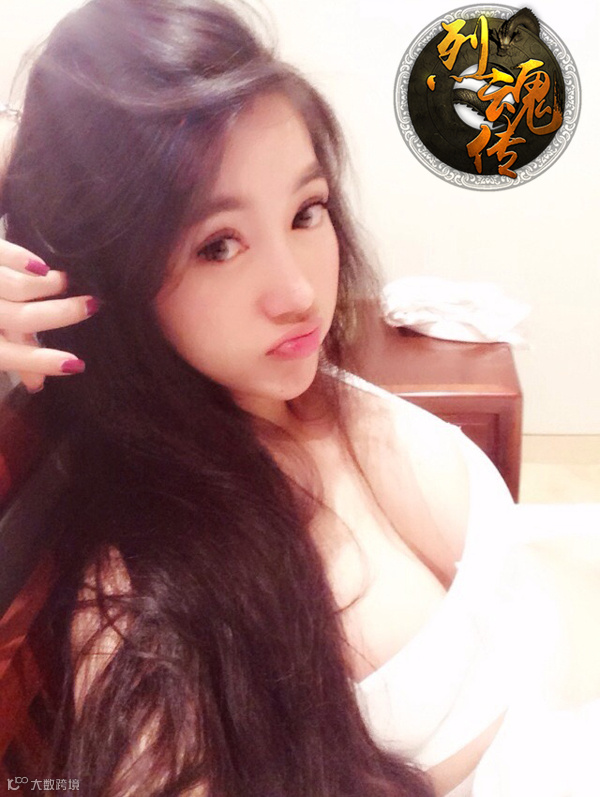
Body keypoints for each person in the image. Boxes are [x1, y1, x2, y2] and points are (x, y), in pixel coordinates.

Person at [1, 2, 600, 796]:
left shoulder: (290, 390)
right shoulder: (146, 599)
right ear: (109, 273)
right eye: (218, 245)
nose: (298, 293)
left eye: (305, 211)